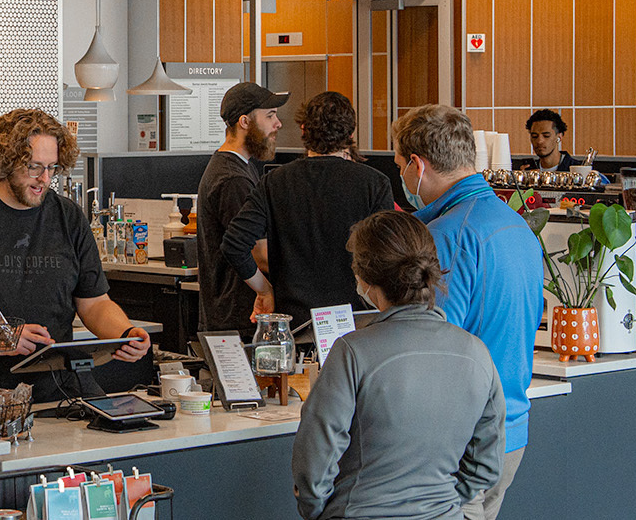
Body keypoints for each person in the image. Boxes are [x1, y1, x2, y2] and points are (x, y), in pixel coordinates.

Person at [292, 210, 504, 519]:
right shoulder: (476, 353)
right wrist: (442, 504)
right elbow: (486, 465)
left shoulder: (352, 352)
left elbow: (315, 462)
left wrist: (320, 511)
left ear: (364, 278)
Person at [392, 104, 544, 520]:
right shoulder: (517, 226)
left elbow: (431, 346)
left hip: (458, 442)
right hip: (509, 430)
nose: (402, 176)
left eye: (400, 165)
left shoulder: (445, 236)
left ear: (418, 165)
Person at [0, 108, 150, 399]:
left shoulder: (68, 216)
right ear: (4, 162)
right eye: (34, 167)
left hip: (59, 389)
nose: (44, 179)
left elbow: (95, 303)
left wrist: (124, 334)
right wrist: (2, 338)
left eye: (52, 168)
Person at [221, 91, 395, 329]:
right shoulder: (374, 183)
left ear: (303, 130)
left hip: (294, 323)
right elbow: (388, 255)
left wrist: (265, 290)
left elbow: (233, 244)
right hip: (355, 320)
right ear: (351, 134)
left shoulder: (274, 182)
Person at [196, 81, 287, 338]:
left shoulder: (236, 168)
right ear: (245, 122)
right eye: (270, 116)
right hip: (238, 321)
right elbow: (257, 253)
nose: (277, 124)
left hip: (230, 318)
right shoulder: (233, 179)